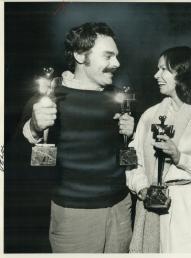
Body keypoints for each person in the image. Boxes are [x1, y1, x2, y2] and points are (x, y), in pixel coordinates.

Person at [22, 22, 134, 253]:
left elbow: (127, 153)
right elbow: (13, 157)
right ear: (80, 55)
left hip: (121, 209)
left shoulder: (119, 98)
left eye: (117, 56)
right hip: (75, 215)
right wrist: (33, 128)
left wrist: (130, 133)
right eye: (108, 56)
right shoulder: (50, 97)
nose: (117, 63)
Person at [126, 46, 191, 253]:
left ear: (183, 72)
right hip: (152, 206)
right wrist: (141, 187)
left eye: (163, 69)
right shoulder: (150, 115)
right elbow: (133, 159)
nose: (156, 75)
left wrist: (180, 157)